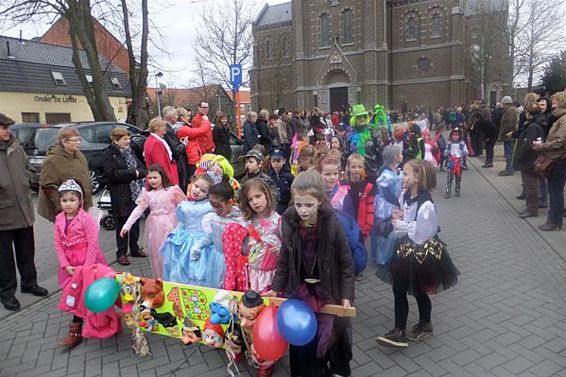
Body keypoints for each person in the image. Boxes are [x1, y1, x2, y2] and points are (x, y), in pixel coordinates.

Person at [264, 170, 355, 377]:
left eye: (309, 205)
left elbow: (346, 263)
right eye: (298, 204)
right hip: (300, 292)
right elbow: (285, 260)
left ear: (320, 201)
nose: (303, 211)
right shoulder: (289, 222)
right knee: (303, 342)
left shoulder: (333, 225)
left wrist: (347, 294)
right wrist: (276, 287)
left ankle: (333, 369)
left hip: (327, 291)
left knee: (330, 337)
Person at [376, 160, 459, 348]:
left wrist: (403, 226)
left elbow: (424, 233)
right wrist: (398, 218)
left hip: (422, 253)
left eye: (405, 174)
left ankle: (425, 323)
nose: (402, 177)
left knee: (420, 291)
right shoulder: (404, 195)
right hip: (405, 250)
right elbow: (404, 217)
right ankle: (399, 330)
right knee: (399, 289)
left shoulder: (426, 204)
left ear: (417, 177)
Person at [0, 113, 47, 311]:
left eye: (8, 127)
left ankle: (29, 283)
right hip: (3, 214)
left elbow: (27, 167)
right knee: (4, 260)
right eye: (3, 128)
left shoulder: (16, 147)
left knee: (27, 252)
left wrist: (27, 178)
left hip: (24, 210)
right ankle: (7, 293)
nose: (7, 131)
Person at [54, 179, 107, 346]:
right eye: (64, 200)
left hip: (86, 262)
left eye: (72, 200)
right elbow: (57, 243)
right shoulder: (59, 219)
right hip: (70, 264)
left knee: (87, 293)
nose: (68, 204)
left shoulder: (86, 219)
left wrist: (86, 267)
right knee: (75, 293)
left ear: (80, 201)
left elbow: (93, 244)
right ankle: (79, 327)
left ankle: (78, 328)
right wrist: (65, 264)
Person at [119, 164, 185, 279]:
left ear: (162, 176)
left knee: (173, 255)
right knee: (158, 256)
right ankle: (161, 280)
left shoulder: (172, 190)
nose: (152, 180)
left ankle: (175, 280)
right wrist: (127, 225)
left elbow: (184, 207)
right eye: (149, 178)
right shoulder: (147, 194)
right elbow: (139, 209)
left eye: (155, 177)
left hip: (172, 226)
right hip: (155, 228)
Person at [101, 128, 147, 266]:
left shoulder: (131, 152)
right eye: (125, 139)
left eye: (128, 138)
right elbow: (112, 174)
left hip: (135, 192)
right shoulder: (109, 154)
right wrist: (133, 174)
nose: (128, 141)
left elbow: (142, 168)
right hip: (120, 193)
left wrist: (138, 173)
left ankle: (134, 248)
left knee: (135, 222)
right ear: (116, 140)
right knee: (122, 223)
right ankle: (121, 253)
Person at [161, 174, 215, 285]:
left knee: (197, 269)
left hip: (201, 241)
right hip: (184, 240)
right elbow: (183, 222)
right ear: (192, 183)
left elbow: (211, 227)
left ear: (208, 194)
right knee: (179, 268)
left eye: (203, 190)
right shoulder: (184, 205)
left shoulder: (209, 207)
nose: (197, 191)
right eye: (196, 186)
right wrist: (174, 233)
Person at [38, 127, 92, 223]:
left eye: (79, 139)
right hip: (66, 208)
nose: (79, 142)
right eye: (75, 140)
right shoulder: (52, 160)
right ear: (64, 142)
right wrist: (62, 207)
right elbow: (47, 186)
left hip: (81, 204)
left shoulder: (79, 155)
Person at [238, 179, 281, 293]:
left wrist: (280, 251)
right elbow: (242, 249)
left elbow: (288, 247)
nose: (255, 202)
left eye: (258, 196)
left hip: (272, 275)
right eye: (250, 199)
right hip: (252, 274)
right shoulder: (246, 222)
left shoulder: (278, 221)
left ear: (267, 195)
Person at [533, 91, 566, 231]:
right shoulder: (560, 118)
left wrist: (542, 146)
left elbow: (560, 141)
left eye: (554, 103)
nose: (552, 106)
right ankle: (554, 220)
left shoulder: (564, 119)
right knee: (555, 190)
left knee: (555, 191)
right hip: (557, 158)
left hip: (558, 159)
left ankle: (554, 221)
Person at [202, 176, 243, 288]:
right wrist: (199, 245)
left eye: (217, 205)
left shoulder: (239, 220)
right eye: (211, 204)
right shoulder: (213, 218)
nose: (215, 209)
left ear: (230, 202)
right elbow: (212, 237)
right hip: (215, 259)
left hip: (231, 262)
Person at [371, 145, 403, 268]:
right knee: (384, 230)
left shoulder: (397, 171)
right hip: (386, 205)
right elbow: (386, 193)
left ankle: (392, 255)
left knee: (394, 230)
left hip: (395, 203)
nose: (402, 155)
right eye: (400, 154)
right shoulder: (385, 174)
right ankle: (382, 258)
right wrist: (398, 203)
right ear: (395, 157)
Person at [515, 103, 545, 219]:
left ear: (529, 113)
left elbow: (528, 144)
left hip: (529, 160)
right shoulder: (537, 124)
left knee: (530, 184)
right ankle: (531, 207)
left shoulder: (533, 127)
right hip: (532, 158)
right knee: (531, 184)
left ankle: (532, 208)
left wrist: (520, 155)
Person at [343, 154, 375, 242]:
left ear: (363, 168)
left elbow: (370, 208)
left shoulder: (367, 187)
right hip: (347, 225)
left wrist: (367, 227)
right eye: (353, 167)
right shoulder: (343, 185)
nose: (356, 170)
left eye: (360, 167)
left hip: (362, 227)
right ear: (348, 168)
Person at [176, 107, 210, 183]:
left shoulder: (184, 127)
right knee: (193, 180)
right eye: (187, 116)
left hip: (193, 157)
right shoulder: (182, 129)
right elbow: (200, 131)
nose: (189, 118)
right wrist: (206, 122)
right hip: (191, 159)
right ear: (181, 117)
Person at [144, 117, 179, 185]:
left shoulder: (149, 141)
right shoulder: (156, 144)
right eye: (163, 130)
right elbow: (161, 165)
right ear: (156, 129)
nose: (165, 132)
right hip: (163, 183)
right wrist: (171, 182)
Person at [162, 106, 190, 190]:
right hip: (176, 163)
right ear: (171, 117)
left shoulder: (168, 128)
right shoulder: (168, 130)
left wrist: (179, 142)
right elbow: (175, 150)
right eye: (176, 116)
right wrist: (184, 144)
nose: (177, 117)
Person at [267, 148, 294, 215]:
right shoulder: (268, 176)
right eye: (273, 161)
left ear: (284, 161)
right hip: (273, 207)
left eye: (278, 161)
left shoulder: (289, 177)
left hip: (287, 207)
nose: (275, 164)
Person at [444, 128, 468, 198]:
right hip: (451, 163)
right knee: (449, 178)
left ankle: (457, 190)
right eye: (454, 135)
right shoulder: (450, 144)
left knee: (458, 178)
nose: (455, 137)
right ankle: (448, 191)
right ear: (451, 136)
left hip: (459, 163)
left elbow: (466, 153)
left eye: (457, 135)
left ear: (459, 136)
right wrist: (448, 148)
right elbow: (445, 154)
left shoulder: (462, 144)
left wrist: (462, 149)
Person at [498, 96, 518, 176]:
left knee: (509, 153)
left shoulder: (510, 111)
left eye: (502, 103)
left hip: (508, 136)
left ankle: (509, 169)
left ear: (505, 103)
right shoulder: (510, 110)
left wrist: (503, 132)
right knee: (508, 152)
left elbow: (508, 123)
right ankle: (509, 168)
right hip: (509, 135)